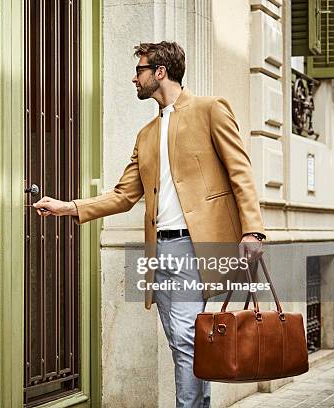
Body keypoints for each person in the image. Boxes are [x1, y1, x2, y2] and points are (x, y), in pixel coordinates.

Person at [33, 41, 265, 408]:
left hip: (198, 247)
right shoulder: (146, 135)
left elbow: (241, 172)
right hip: (162, 252)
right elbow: (124, 195)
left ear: (160, 72)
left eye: (139, 70)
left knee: (188, 340)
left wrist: (252, 230)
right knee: (182, 341)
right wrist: (70, 207)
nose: (133, 78)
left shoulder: (209, 110)